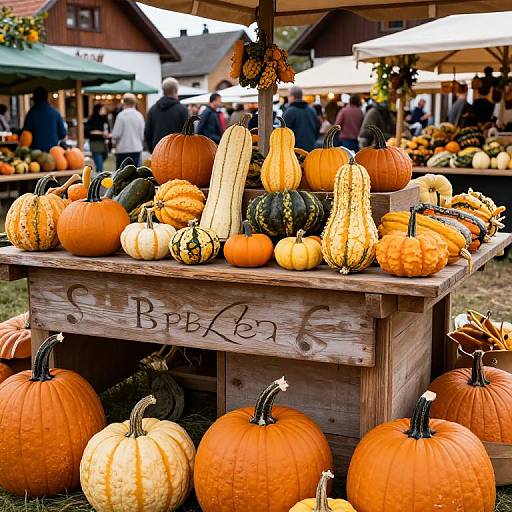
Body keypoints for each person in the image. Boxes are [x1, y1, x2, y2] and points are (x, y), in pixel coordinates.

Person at [144, 77, 188, 152]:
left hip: (157, 151)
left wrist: (152, 150)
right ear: (176, 90)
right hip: (178, 152)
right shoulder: (182, 110)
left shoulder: (153, 109)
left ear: (163, 91)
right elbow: (188, 133)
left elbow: (147, 133)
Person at [22, 87, 66, 151]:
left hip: (35, 153)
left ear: (34, 99)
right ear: (47, 97)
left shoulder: (31, 114)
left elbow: (25, 134)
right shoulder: (55, 113)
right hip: (53, 152)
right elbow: (63, 133)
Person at [111, 93, 145, 168]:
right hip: (136, 148)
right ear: (134, 103)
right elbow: (142, 135)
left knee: (121, 176)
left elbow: (116, 134)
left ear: (124, 102)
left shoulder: (121, 116)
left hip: (122, 149)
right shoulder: (139, 115)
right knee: (135, 175)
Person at [283, 86, 319, 152]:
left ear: (292, 97)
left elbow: (284, 133)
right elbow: (317, 128)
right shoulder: (311, 110)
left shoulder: (289, 111)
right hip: (311, 147)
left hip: (294, 150)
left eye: (288, 96)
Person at [85, 104, 109, 172]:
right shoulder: (92, 119)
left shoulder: (104, 119)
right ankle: (99, 177)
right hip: (95, 143)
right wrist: (101, 133)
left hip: (104, 143)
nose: (104, 111)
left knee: (103, 159)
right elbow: (89, 131)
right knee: (99, 164)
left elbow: (107, 129)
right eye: (103, 109)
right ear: (98, 110)